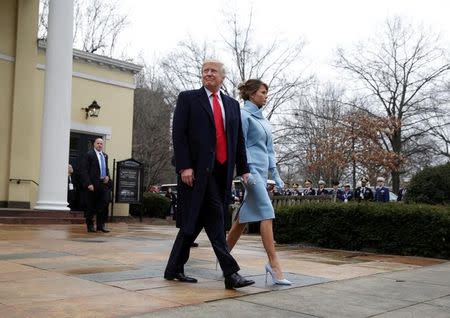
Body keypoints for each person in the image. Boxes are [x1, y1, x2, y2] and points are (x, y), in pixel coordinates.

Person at [164, 59, 254, 290]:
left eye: (213, 71)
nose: (208, 74)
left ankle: (173, 268)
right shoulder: (188, 98)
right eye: (205, 71)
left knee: (192, 224)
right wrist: (184, 166)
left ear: (223, 77)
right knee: (215, 220)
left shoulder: (232, 105)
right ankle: (231, 273)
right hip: (195, 173)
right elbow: (179, 135)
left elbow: (238, 141)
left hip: (222, 173)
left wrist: (243, 170)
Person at [225, 79, 292, 285]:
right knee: (266, 211)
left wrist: (277, 175)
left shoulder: (264, 120)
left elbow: (270, 151)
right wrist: (244, 171)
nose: (266, 95)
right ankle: (274, 264)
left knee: (243, 218)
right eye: (263, 92)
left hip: (262, 173)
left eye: (266, 92)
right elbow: (239, 146)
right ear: (252, 94)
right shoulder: (243, 115)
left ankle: (223, 255)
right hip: (250, 172)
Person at [80, 137, 111, 233]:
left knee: (104, 203)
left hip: (103, 184)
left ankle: (100, 225)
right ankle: (90, 226)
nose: (99, 145)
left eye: (101, 144)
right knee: (91, 205)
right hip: (93, 184)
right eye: (98, 143)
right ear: (94, 144)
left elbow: (106, 169)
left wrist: (108, 176)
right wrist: (88, 183)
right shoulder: (89, 155)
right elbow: (84, 170)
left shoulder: (105, 156)